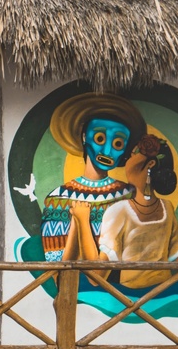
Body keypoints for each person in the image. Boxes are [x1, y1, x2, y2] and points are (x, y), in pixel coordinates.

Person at [38, 92, 145, 262]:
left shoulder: (131, 196)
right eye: (100, 138)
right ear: (83, 136)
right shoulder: (58, 199)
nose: (107, 152)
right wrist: (78, 222)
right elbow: (57, 267)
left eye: (117, 143)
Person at [98, 133, 178, 289]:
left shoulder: (118, 211)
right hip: (163, 292)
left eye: (133, 155)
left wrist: (81, 223)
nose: (127, 163)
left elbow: (99, 274)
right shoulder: (167, 207)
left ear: (150, 163)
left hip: (132, 296)